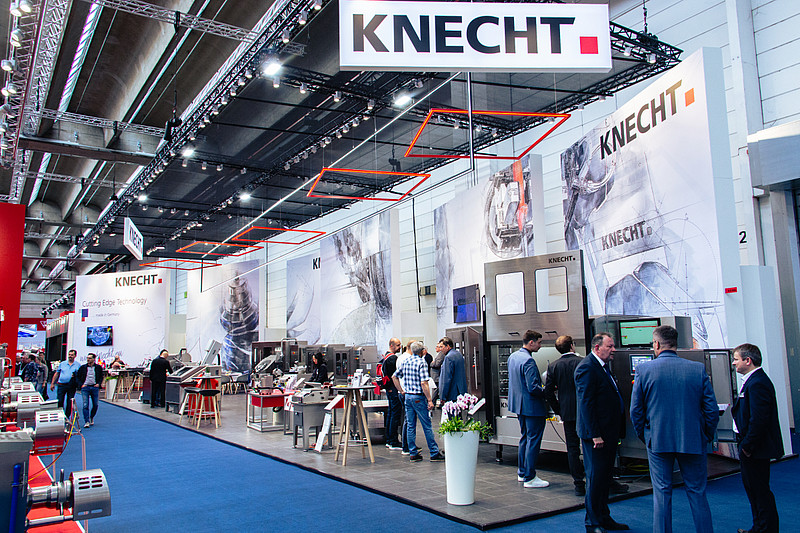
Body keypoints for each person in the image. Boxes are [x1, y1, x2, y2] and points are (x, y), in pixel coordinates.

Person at [630, 325, 719, 533]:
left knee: (661, 494)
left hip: (658, 440)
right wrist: (705, 434)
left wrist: (646, 436)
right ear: (675, 344)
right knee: (697, 492)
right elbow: (711, 410)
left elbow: (636, 410)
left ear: (656, 344)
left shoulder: (644, 370)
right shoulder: (697, 369)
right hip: (692, 439)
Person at [575, 332, 628, 533]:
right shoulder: (587, 368)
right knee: (596, 479)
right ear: (597, 348)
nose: (614, 350)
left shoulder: (603, 367)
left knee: (605, 478)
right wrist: (594, 434)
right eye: (610, 346)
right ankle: (593, 523)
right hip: (596, 436)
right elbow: (586, 404)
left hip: (609, 433)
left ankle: (604, 518)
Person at [731, 343, 784, 533]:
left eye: (736, 359)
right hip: (751, 446)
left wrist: (747, 446)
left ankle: (766, 529)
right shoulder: (753, 381)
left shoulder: (758, 383)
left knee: (760, 491)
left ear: (748, 360)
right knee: (754, 490)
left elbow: (759, 420)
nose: (734, 363)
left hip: (754, 448)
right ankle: (759, 528)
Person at [545, 335, 586, 495]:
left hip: (567, 412)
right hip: (584, 411)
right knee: (590, 446)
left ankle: (578, 484)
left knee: (572, 448)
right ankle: (595, 479)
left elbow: (548, 392)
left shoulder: (553, 366)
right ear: (572, 346)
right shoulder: (583, 362)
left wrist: (558, 410)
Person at [507, 330, 549, 488]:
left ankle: (522, 472)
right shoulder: (529, 361)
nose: (540, 346)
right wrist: (547, 391)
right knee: (533, 440)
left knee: (525, 437)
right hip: (532, 407)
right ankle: (530, 477)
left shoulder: (513, 357)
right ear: (531, 342)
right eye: (539, 342)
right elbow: (533, 387)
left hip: (519, 406)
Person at [392, 341, 444, 462]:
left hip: (408, 397)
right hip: (418, 398)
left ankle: (413, 453)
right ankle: (434, 452)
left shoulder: (406, 361)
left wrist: (401, 390)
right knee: (426, 425)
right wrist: (430, 400)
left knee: (410, 425)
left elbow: (394, 376)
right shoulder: (421, 362)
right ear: (421, 351)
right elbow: (424, 383)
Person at [381, 338, 403, 451]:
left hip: (389, 388)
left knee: (390, 413)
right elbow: (396, 375)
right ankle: (393, 440)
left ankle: (389, 439)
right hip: (393, 389)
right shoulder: (393, 358)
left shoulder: (386, 356)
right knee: (395, 414)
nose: (400, 347)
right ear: (392, 345)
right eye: (398, 345)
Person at [50, 349, 81, 418]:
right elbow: (57, 373)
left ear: (75, 356)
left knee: (70, 402)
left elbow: (80, 375)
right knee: (60, 400)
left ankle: (67, 416)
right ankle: (60, 415)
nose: (70, 356)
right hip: (61, 384)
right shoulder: (62, 364)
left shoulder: (78, 365)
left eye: (72, 355)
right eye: (69, 355)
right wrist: (52, 383)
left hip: (71, 386)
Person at [76, 353, 104, 428]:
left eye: (90, 358)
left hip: (94, 387)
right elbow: (78, 377)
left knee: (95, 404)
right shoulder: (83, 367)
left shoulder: (98, 367)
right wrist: (81, 385)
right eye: (87, 358)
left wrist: (98, 384)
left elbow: (101, 376)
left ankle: (91, 417)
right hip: (85, 387)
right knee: (85, 404)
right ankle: (86, 421)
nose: (88, 359)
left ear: (94, 359)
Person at [438, 336, 467, 404]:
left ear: (448, 346)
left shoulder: (448, 358)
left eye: (441, 347)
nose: (440, 349)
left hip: (452, 394)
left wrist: (442, 396)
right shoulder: (458, 354)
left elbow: (446, 378)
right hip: (460, 392)